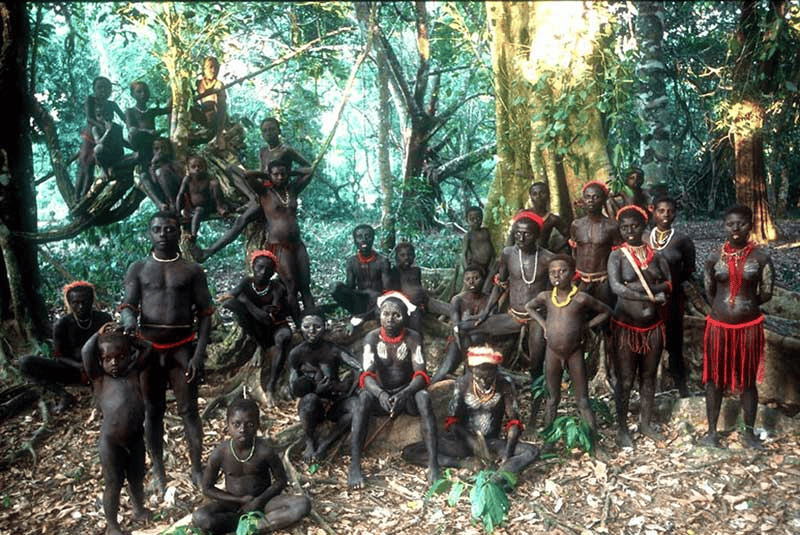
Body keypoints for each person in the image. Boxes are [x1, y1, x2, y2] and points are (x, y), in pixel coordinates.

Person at [120, 210, 214, 492]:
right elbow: (128, 304)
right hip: (148, 349)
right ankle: (159, 471)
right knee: (153, 411)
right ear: (150, 233)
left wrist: (198, 353)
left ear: (179, 233)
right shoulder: (138, 268)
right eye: (158, 230)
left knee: (188, 410)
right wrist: (127, 320)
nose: (163, 235)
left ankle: (197, 468)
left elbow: (206, 312)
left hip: (182, 348)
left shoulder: (192, 270)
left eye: (169, 229)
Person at [196, 160, 315, 324]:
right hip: (280, 247)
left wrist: (290, 172)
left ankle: (312, 324)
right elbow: (246, 175)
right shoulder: (264, 193)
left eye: (283, 174)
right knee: (292, 288)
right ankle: (302, 329)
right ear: (269, 175)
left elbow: (309, 171)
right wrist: (267, 175)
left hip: (298, 245)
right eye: (276, 174)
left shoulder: (292, 190)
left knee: (306, 288)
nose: (280, 177)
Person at [348, 292, 439, 488]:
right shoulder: (371, 339)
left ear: (405, 317)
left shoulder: (413, 338)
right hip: (380, 396)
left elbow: (421, 375)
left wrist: (405, 393)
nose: (390, 320)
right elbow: (367, 375)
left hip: (406, 396)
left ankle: (433, 464)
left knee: (423, 397)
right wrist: (380, 394)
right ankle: (354, 464)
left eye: (396, 315)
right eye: (385, 314)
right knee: (363, 399)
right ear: (379, 315)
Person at [701, 205, 773, 449]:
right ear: (724, 226)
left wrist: (746, 306)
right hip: (718, 327)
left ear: (750, 226)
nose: (735, 228)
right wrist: (724, 308)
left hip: (749, 328)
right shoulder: (713, 257)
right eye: (730, 224)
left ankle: (749, 434)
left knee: (748, 380)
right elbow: (709, 290)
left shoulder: (761, 257)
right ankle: (712, 432)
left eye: (741, 224)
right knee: (715, 379)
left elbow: (766, 292)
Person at [402, 346, 539, 475]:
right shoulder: (462, 384)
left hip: (491, 443)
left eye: (489, 376)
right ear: (471, 370)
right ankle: (462, 463)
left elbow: (514, 422)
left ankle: (502, 473)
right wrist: (470, 440)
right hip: (463, 443)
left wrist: (508, 455)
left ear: (496, 370)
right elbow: (452, 422)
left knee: (531, 452)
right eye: (479, 377)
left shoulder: (505, 383)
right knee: (409, 452)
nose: (484, 382)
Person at [192, 398, 311, 535]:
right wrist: (238, 500)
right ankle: (240, 526)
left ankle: (252, 529)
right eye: (236, 424)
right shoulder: (220, 452)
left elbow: (281, 481)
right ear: (227, 425)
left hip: (265, 504)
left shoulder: (265, 450)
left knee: (302, 504)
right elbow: (206, 488)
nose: (242, 429)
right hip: (232, 506)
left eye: (249, 424)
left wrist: (259, 501)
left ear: (258, 425)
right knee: (200, 517)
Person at [525, 255, 612, 435]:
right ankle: (548, 441)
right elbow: (529, 307)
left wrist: (586, 326)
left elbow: (606, 311)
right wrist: (544, 325)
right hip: (552, 353)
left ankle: (594, 442)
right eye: (552, 273)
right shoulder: (546, 297)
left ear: (572, 274)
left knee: (582, 400)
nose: (557, 276)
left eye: (562, 271)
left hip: (574, 353)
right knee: (552, 398)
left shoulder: (581, 298)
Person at [607, 205, 672, 447]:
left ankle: (645, 423)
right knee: (625, 379)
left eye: (634, 226)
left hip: (653, 327)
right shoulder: (617, 256)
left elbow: (669, 284)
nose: (630, 231)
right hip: (626, 326)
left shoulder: (657, 256)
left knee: (648, 376)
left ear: (644, 227)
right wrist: (647, 297)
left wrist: (650, 290)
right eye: (624, 227)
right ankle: (622, 428)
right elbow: (617, 287)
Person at [82, 322, 153, 535]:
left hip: (136, 439)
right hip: (111, 442)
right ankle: (113, 526)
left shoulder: (133, 371)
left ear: (129, 356)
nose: (113, 363)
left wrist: (131, 339)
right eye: (107, 359)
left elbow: (148, 349)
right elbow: (86, 351)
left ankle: (138, 510)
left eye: (120, 357)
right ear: (100, 361)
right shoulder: (99, 378)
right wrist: (99, 333)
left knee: (136, 478)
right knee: (114, 483)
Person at [468, 211, 554, 378]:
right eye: (517, 233)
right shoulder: (508, 254)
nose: (520, 238)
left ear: (537, 235)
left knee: (536, 362)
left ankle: (536, 398)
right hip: (513, 316)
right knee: (465, 328)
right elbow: (499, 286)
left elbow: (554, 294)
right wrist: (486, 312)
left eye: (527, 234)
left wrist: (550, 321)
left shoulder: (547, 259)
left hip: (537, 318)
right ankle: (482, 375)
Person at [18, 281, 112, 411]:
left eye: (85, 302)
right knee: (25, 362)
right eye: (76, 303)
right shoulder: (62, 324)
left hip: (100, 368)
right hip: (72, 370)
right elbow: (59, 356)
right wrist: (80, 366)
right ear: (69, 303)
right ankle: (63, 395)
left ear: (92, 300)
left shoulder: (103, 318)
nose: (81, 306)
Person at [220, 250, 292, 406]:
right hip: (256, 328)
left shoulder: (276, 289)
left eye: (268, 269)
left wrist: (246, 302)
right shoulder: (247, 282)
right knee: (233, 306)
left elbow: (268, 319)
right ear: (252, 266)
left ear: (273, 272)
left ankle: (271, 385)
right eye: (259, 267)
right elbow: (229, 298)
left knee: (284, 338)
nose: (262, 272)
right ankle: (259, 347)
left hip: (275, 327)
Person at [288, 313, 358, 461]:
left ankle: (326, 443)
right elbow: (293, 387)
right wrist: (314, 390)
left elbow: (359, 368)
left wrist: (346, 387)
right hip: (313, 403)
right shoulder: (296, 353)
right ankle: (309, 442)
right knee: (310, 400)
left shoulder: (333, 350)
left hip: (335, 400)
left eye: (317, 326)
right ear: (300, 329)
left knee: (356, 407)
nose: (312, 331)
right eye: (307, 327)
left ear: (325, 328)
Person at [648, 195, 696, 397]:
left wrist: (671, 285)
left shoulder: (682, 240)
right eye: (661, 211)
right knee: (649, 341)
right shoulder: (642, 237)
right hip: (647, 300)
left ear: (675, 213)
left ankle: (681, 386)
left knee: (674, 343)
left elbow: (689, 268)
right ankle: (649, 387)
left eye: (670, 211)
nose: (665, 215)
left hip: (673, 299)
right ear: (653, 211)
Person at [431, 265, 490, 383]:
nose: (471, 282)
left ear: (483, 280)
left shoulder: (489, 300)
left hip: (482, 344)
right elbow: (456, 326)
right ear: (463, 281)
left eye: (476, 278)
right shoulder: (457, 300)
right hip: (459, 341)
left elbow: (490, 324)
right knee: (443, 371)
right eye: (468, 279)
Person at [569, 180, 622, 305]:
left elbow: (618, 255)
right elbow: (574, 250)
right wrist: (574, 275)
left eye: (595, 197)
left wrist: (613, 278)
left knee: (606, 312)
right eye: (587, 197)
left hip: (603, 280)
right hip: (581, 279)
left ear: (603, 200)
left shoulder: (611, 226)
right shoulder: (576, 225)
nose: (591, 201)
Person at [76, 76, 127, 198]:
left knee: (97, 165)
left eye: (107, 88)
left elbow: (125, 118)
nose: (103, 90)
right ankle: (77, 197)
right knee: (85, 168)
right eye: (100, 87)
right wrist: (102, 125)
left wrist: (133, 123)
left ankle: (89, 196)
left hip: (106, 138)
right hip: (91, 136)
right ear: (94, 89)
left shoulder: (112, 105)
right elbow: (89, 118)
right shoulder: (90, 100)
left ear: (110, 91)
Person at [331, 224, 392, 322]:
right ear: (354, 240)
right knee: (334, 287)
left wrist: (376, 296)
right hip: (360, 301)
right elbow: (350, 288)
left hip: (378, 301)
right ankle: (358, 313)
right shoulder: (351, 262)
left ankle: (368, 315)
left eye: (367, 236)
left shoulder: (382, 261)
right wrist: (364, 293)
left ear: (373, 239)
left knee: (382, 300)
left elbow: (388, 289)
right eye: (359, 237)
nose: (363, 240)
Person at [125, 80, 171, 193]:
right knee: (147, 169)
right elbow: (131, 129)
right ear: (133, 95)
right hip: (140, 143)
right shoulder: (130, 111)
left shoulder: (151, 111)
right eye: (139, 92)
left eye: (145, 91)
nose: (143, 94)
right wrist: (148, 131)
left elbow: (168, 110)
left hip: (152, 143)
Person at [176, 154, 227, 241]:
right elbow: (180, 195)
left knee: (214, 184)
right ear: (188, 169)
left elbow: (218, 193)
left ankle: (220, 207)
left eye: (200, 166)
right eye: (193, 167)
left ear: (205, 167)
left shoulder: (209, 178)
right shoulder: (188, 179)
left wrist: (219, 204)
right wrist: (177, 212)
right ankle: (193, 234)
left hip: (209, 206)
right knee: (198, 211)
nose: (197, 169)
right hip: (193, 208)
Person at [191, 56, 227, 148]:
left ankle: (217, 132)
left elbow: (222, 108)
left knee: (210, 104)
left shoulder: (219, 84)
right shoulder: (198, 83)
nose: (213, 70)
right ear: (204, 69)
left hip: (215, 118)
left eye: (216, 67)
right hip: (202, 115)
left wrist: (220, 133)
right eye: (210, 67)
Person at [148, 137, 183, 211]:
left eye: (163, 148)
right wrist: (153, 164)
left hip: (178, 193)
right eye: (156, 149)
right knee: (143, 176)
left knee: (162, 172)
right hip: (163, 196)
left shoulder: (173, 162)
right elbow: (154, 181)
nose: (160, 151)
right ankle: (160, 204)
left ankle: (172, 203)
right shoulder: (152, 166)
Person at [463, 206, 495, 282]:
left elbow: (491, 247)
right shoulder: (469, 235)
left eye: (478, 218)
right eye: (472, 219)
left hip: (488, 264)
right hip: (475, 265)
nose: (475, 221)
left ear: (482, 218)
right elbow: (464, 253)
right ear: (467, 220)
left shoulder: (486, 232)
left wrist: (493, 258)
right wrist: (467, 268)